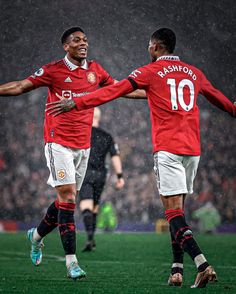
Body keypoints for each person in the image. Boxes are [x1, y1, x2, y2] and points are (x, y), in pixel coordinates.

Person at [47, 27, 236, 288]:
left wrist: (77, 103)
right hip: (193, 150)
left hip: (168, 149)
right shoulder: (194, 73)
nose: (148, 50)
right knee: (177, 211)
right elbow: (221, 101)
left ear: (156, 47)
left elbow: (112, 91)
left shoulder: (149, 71)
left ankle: (202, 264)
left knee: (172, 214)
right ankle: (177, 270)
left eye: (149, 45)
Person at [0, 26, 144, 280]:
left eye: (85, 39)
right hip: (58, 143)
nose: (83, 43)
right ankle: (71, 263)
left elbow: (120, 89)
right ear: (66, 46)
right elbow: (21, 85)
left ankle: (35, 236)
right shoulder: (53, 70)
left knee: (65, 201)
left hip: (83, 145)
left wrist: (154, 94)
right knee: (68, 199)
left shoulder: (95, 70)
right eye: (76, 40)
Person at [79, 107, 124, 252]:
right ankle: (91, 238)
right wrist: (120, 176)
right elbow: (115, 157)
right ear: (99, 118)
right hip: (101, 175)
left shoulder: (81, 133)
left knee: (86, 205)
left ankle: (90, 237)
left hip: (85, 172)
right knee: (95, 206)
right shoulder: (107, 136)